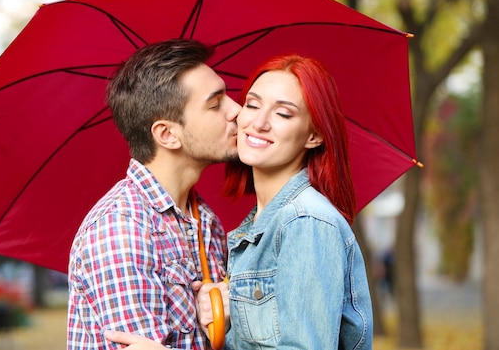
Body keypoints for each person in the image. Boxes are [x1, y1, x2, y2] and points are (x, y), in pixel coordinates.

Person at [107, 53, 373, 349]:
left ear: (314, 136)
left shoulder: (305, 221)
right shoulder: (251, 229)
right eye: (252, 104)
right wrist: (228, 315)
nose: (256, 122)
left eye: (283, 114)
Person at [67, 39, 238, 350]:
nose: (237, 111)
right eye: (216, 104)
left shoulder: (206, 221)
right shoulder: (121, 228)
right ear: (167, 134)